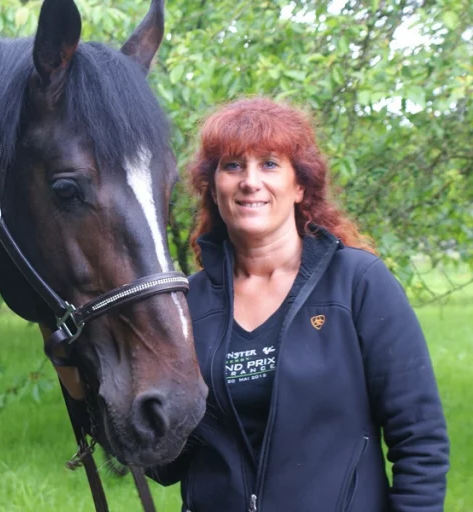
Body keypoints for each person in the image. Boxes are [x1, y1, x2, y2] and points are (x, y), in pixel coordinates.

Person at [147, 98, 449, 511]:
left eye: (269, 164)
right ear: (213, 189)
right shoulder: (187, 305)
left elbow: (420, 438)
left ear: (300, 186)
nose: (250, 181)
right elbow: (165, 462)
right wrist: (82, 382)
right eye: (233, 166)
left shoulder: (357, 283)